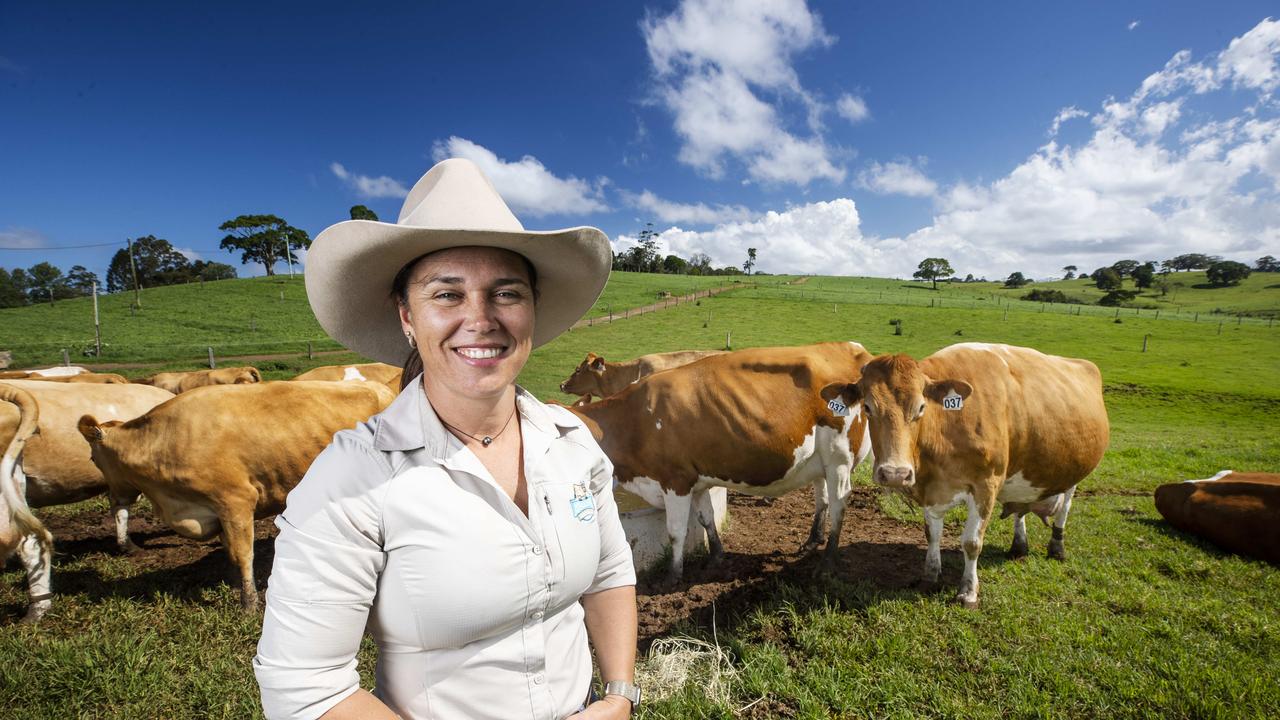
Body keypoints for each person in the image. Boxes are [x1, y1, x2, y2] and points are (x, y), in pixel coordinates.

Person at [254, 158, 639, 720]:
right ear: (406, 316)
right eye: (447, 295)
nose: (480, 319)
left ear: (533, 310)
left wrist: (619, 695)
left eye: (506, 293)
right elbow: (304, 687)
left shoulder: (572, 440)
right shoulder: (355, 475)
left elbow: (608, 573)